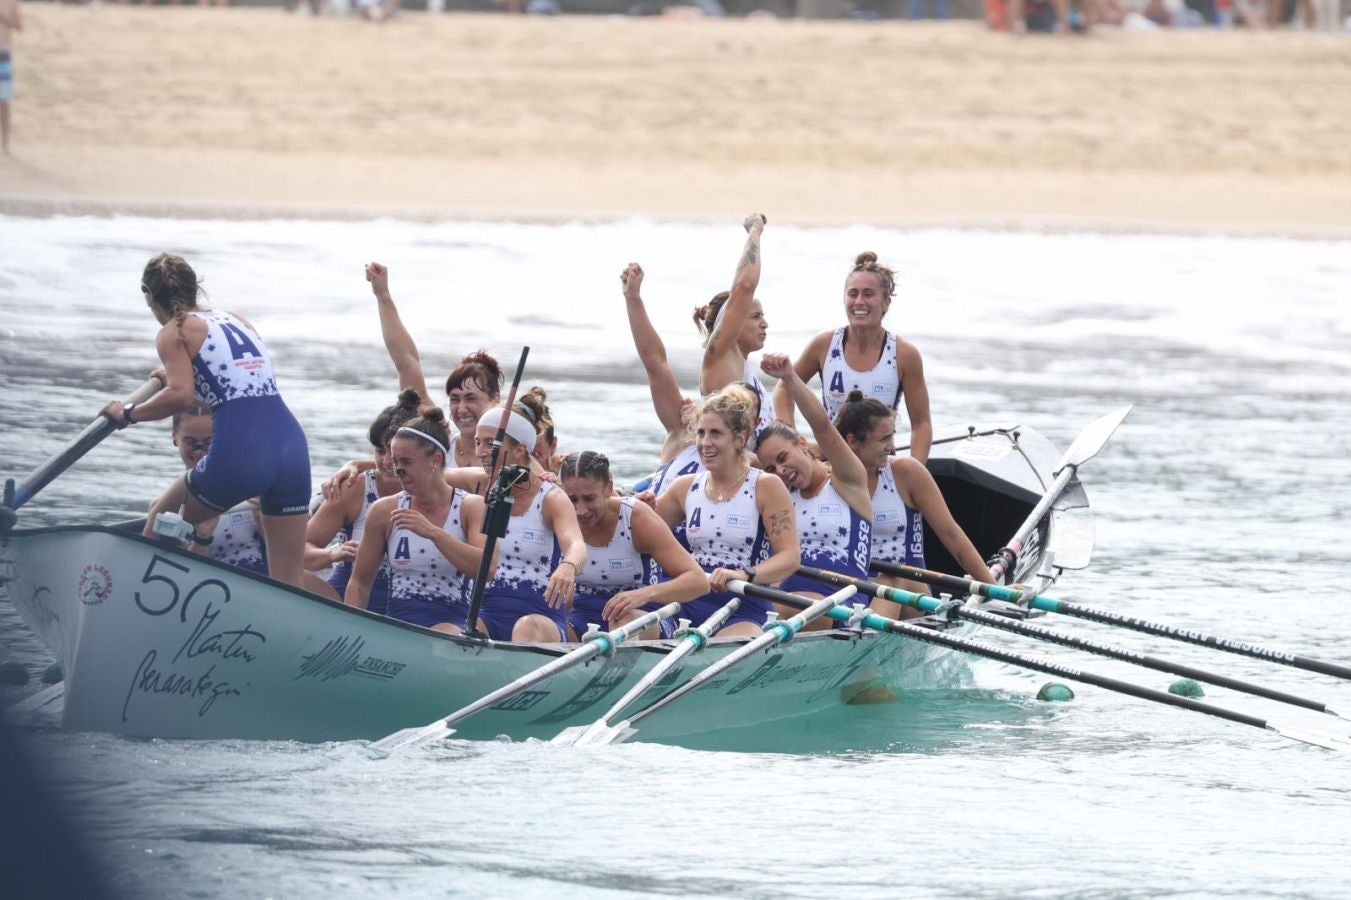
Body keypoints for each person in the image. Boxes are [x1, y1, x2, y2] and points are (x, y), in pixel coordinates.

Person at [102, 254, 311, 589]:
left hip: (241, 449)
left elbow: (181, 396)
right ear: (194, 285)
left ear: (149, 295)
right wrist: (185, 376)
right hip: (291, 446)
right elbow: (239, 387)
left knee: (162, 514)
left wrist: (128, 413)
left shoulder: (173, 332)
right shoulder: (237, 319)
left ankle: (134, 595)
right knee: (289, 581)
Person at [648, 388, 799, 638]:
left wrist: (743, 574)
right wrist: (637, 507)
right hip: (685, 601)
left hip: (742, 606)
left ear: (740, 439)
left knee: (734, 644)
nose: (705, 443)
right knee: (630, 619)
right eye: (701, 433)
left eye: (716, 433)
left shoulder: (766, 486)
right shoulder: (684, 487)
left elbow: (790, 558)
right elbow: (637, 532)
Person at [834, 390, 995, 620]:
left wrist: (991, 588)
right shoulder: (828, 475)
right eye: (883, 439)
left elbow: (951, 534)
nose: (892, 446)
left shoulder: (906, 472)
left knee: (892, 579)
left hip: (907, 589)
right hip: (852, 589)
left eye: (892, 436)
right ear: (852, 442)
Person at [773, 251, 932, 464]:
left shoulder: (904, 354)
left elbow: (921, 425)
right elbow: (784, 387)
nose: (859, 301)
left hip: (879, 467)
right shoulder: (824, 344)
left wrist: (916, 472)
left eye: (868, 294)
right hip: (832, 464)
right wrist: (790, 439)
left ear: (886, 302)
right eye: (853, 293)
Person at [344, 409, 492, 633]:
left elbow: (486, 569)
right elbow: (360, 583)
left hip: (452, 624)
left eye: (406, 462)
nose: (398, 470)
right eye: (395, 461)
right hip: (399, 623)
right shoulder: (384, 510)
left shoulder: (472, 507)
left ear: (436, 460)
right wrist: (350, 631)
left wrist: (433, 533)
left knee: (444, 632)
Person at [755, 354, 873, 630]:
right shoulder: (779, 495)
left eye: (783, 458)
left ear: (802, 444)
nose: (780, 471)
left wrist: (789, 378)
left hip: (843, 609)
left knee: (783, 606)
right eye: (771, 468)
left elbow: (823, 427)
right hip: (785, 606)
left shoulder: (848, 479)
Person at [365, 261, 504, 470]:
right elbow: (406, 363)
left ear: (495, 399)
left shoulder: (510, 449)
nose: (461, 409)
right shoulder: (442, 443)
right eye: (455, 399)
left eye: (471, 398)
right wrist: (382, 294)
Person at [560, 450, 708, 640]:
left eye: (589, 499)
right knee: (537, 628)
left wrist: (643, 595)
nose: (580, 511)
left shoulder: (635, 517)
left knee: (623, 624)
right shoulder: (561, 514)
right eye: (572, 499)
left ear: (608, 488)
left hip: (642, 615)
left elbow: (699, 582)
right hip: (584, 617)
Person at [473, 404, 587, 642]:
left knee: (526, 628)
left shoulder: (552, 498)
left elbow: (577, 546)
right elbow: (429, 476)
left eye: (490, 444)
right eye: (477, 443)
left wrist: (568, 566)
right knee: (465, 622)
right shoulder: (481, 485)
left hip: (540, 621)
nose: (480, 452)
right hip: (486, 614)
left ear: (519, 449)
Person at [305, 389, 422, 614]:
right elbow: (298, 551)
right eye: (380, 451)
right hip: (346, 595)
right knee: (286, 574)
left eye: (393, 452)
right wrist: (333, 553)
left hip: (409, 604)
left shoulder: (434, 490)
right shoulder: (354, 487)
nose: (387, 461)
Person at [142, 402, 269, 578]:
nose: (201, 451)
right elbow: (175, 578)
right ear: (174, 437)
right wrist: (203, 537)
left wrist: (266, 517)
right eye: (191, 442)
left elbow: (292, 561)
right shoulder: (165, 508)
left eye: (210, 442)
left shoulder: (257, 490)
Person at [693, 214, 773, 443]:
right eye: (756, 316)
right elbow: (745, 286)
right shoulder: (720, 356)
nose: (765, 323)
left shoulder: (744, 367)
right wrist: (755, 231)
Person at [0, 0, 20, 156]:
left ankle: (6, 144)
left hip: (2, 54)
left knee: (4, 100)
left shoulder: (11, 1)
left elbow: (19, 26)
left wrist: (4, 16)